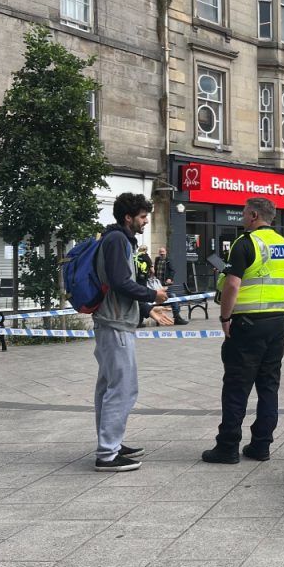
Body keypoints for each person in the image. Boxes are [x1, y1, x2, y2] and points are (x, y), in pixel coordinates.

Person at [203, 197, 284, 464]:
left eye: (244, 212)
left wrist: (224, 317)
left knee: (236, 386)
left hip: (247, 324)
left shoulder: (245, 242)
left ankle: (228, 446)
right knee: (268, 385)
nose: (242, 216)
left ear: (254, 215)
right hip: (278, 321)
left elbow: (232, 284)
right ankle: (261, 445)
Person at [92, 193, 168, 472]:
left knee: (109, 387)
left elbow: (118, 285)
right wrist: (153, 295)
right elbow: (120, 282)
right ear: (128, 217)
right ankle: (107, 454)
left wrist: (147, 309)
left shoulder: (117, 239)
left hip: (114, 320)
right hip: (115, 324)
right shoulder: (117, 241)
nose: (146, 221)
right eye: (142, 216)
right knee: (122, 389)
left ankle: (111, 443)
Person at [152, 246, 188, 325]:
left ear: (166, 252)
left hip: (164, 284)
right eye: (160, 252)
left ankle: (176, 317)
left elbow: (172, 271)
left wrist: (170, 279)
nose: (162, 254)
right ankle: (177, 316)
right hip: (157, 285)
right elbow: (154, 270)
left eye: (163, 252)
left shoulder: (168, 260)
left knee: (173, 296)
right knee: (171, 296)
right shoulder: (157, 259)